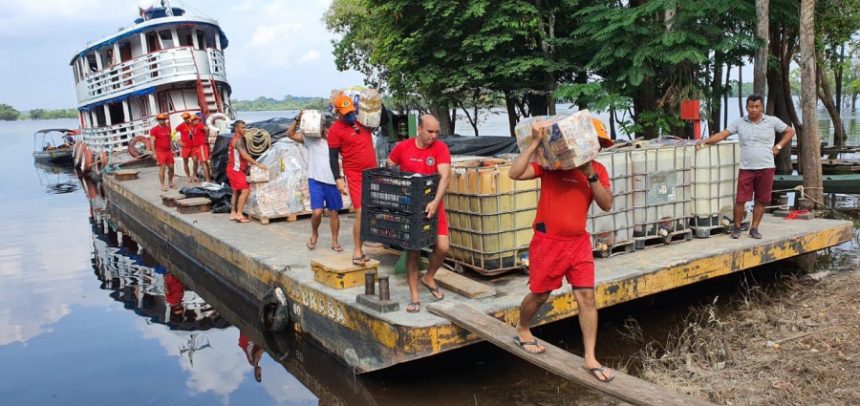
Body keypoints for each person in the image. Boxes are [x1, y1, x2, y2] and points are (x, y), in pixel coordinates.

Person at [508, 121, 615, 383]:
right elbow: (514, 173)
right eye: (595, 142)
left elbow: (606, 204)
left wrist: (590, 174)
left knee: (587, 297)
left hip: (578, 242)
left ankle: (590, 356)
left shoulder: (598, 169)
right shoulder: (551, 165)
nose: (597, 148)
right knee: (541, 294)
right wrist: (534, 143)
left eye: (600, 145)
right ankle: (522, 328)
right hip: (548, 242)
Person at [697, 94, 795, 239]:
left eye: (757, 107)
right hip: (747, 168)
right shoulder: (739, 122)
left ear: (761, 107)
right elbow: (723, 134)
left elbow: (790, 131)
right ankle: (736, 227)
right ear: (746, 107)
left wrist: (779, 146)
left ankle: (754, 228)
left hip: (766, 167)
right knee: (741, 199)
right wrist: (705, 142)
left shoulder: (772, 121)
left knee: (762, 199)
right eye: (751, 107)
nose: (754, 110)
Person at [386, 114, 451, 313]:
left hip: (433, 203)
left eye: (436, 132)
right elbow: (390, 164)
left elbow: (445, 176)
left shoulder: (440, 148)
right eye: (430, 131)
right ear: (419, 130)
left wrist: (435, 201)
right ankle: (414, 296)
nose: (434, 136)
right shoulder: (403, 147)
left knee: (443, 247)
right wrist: (397, 182)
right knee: (413, 251)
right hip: (410, 207)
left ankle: (429, 276)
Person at [327, 93, 377, 265]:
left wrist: (376, 101)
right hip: (355, 174)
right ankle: (357, 251)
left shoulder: (363, 122)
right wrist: (338, 179)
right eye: (347, 113)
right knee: (361, 212)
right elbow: (333, 157)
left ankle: (361, 248)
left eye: (352, 112)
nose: (351, 116)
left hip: (372, 173)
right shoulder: (335, 130)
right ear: (338, 113)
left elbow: (382, 119)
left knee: (370, 213)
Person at [285, 111, 344, 252]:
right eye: (332, 129)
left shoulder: (338, 143)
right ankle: (314, 233)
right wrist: (297, 119)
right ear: (324, 128)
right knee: (317, 212)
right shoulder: (311, 140)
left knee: (334, 213)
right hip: (315, 181)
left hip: (333, 182)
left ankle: (335, 241)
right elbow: (290, 134)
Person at [227, 120, 267, 223]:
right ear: (236, 129)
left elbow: (240, 156)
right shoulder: (238, 140)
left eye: (245, 127)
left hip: (232, 168)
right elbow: (244, 155)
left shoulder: (236, 139)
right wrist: (258, 164)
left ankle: (233, 213)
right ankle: (239, 214)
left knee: (236, 191)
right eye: (242, 128)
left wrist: (248, 164)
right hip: (236, 170)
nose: (245, 130)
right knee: (245, 191)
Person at [149, 113, 175, 191]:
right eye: (160, 119)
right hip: (160, 152)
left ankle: (170, 182)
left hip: (168, 151)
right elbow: (152, 142)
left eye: (163, 119)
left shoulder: (167, 128)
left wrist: (172, 148)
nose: (162, 121)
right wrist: (154, 153)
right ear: (158, 120)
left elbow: (170, 138)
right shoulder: (154, 129)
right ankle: (162, 185)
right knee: (162, 168)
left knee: (171, 168)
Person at [175, 112, 199, 183]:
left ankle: (194, 175)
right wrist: (178, 141)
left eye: (187, 118)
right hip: (185, 147)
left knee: (195, 161)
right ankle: (188, 176)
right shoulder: (181, 126)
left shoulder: (193, 124)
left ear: (190, 118)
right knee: (185, 162)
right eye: (184, 118)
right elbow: (172, 133)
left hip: (194, 146)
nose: (186, 119)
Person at [191, 114, 211, 183]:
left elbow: (207, 129)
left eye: (195, 120)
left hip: (201, 146)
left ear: (198, 120)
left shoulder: (200, 125)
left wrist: (206, 138)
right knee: (198, 162)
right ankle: (201, 177)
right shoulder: (194, 127)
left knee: (203, 163)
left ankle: (208, 180)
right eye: (193, 120)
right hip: (196, 147)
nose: (194, 121)